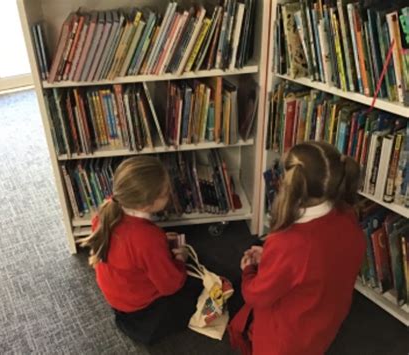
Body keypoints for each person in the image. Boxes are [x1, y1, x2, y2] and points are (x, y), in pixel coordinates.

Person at [229, 141, 366, 355]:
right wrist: (271, 258)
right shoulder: (348, 216)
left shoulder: (288, 241)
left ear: (289, 183)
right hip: (323, 325)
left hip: (284, 341)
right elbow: (315, 266)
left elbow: (257, 295)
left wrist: (249, 270)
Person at [79, 156, 202, 345]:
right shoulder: (147, 238)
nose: (170, 194)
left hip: (120, 299)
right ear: (147, 205)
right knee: (196, 287)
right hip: (143, 311)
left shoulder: (104, 213)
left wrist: (158, 246)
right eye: (166, 193)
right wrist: (180, 260)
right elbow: (170, 285)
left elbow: (128, 250)